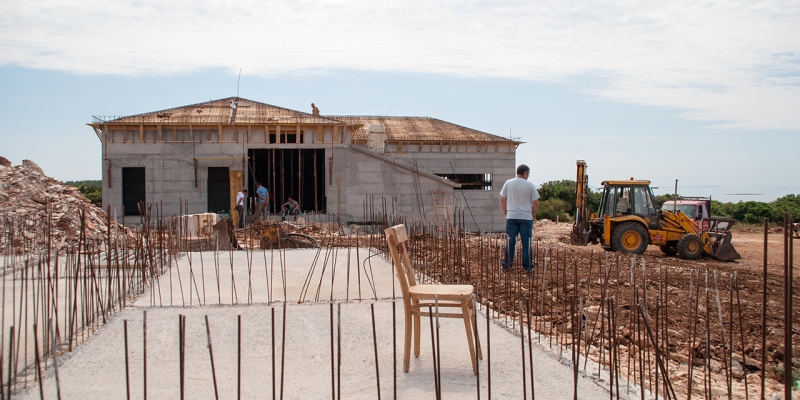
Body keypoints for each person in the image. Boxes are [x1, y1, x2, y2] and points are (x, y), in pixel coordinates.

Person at [500, 164, 540, 272]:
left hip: (511, 217)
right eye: (528, 174)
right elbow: (535, 202)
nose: (528, 176)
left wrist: (506, 213)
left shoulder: (508, 183)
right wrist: (533, 214)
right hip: (526, 217)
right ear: (525, 173)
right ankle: (527, 267)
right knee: (526, 242)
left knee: (510, 241)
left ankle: (507, 265)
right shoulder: (530, 185)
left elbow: (503, 199)